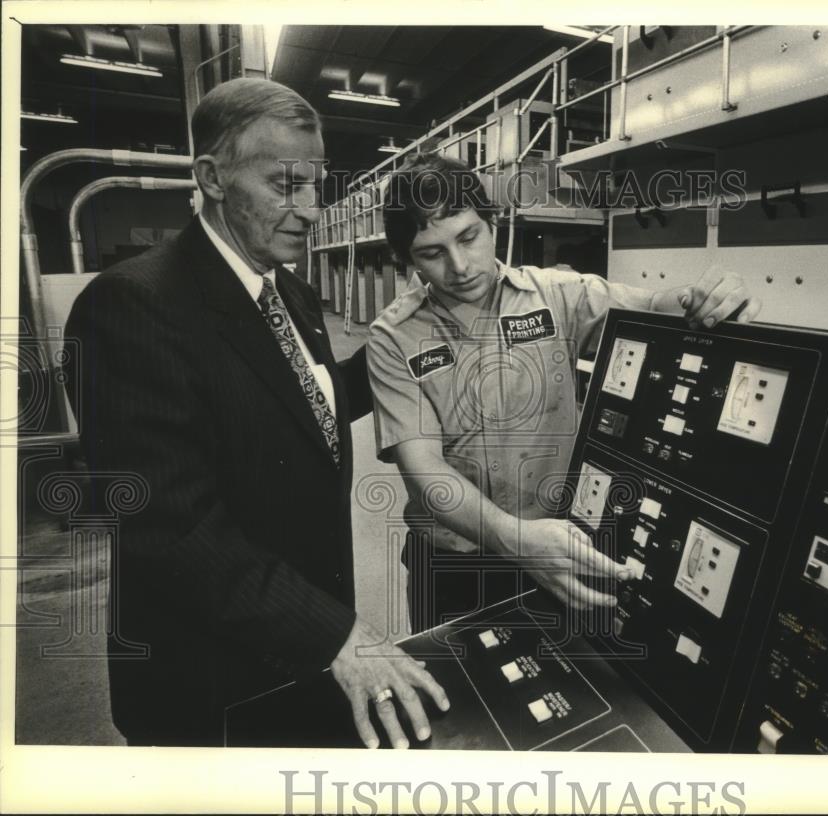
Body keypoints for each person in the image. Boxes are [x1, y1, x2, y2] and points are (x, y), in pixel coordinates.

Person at [64, 78, 447, 748]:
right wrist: (337, 636)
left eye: (315, 184)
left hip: (298, 657)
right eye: (284, 185)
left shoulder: (289, 292)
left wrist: (400, 340)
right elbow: (169, 528)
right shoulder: (133, 305)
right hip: (209, 690)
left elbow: (306, 403)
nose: (309, 209)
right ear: (211, 178)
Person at [366, 154, 762, 632]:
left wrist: (703, 297)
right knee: (460, 699)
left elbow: (653, 307)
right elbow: (426, 470)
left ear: (491, 223)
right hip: (453, 568)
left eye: (469, 237)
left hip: (563, 549)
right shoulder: (394, 338)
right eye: (432, 253)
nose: (460, 265)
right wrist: (515, 540)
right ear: (407, 260)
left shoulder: (556, 296)